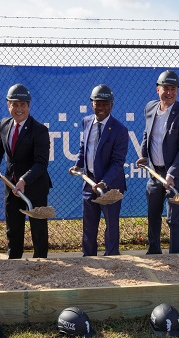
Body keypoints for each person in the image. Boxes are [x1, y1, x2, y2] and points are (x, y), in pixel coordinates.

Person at [135, 70, 179, 254]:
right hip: (155, 174)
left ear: (177, 91)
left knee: (174, 218)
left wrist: (171, 175)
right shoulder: (150, 108)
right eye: (165, 89)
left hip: (176, 176)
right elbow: (147, 134)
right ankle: (154, 250)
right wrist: (144, 155)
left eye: (173, 89)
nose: (169, 93)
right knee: (153, 214)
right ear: (158, 90)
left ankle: (175, 255)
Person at [0, 84, 52, 259]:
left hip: (34, 186)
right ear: (8, 105)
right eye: (14, 104)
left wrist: (24, 181)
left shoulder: (39, 130)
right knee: (13, 229)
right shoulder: (4, 124)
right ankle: (14, 262)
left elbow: (41, 163)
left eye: (22, 105)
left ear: (29, 106)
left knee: (38, 230)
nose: (18, 109)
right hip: (11, 185)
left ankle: (40, 263)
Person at [69, 84, 128, 256]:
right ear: (91, 104)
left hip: (110, 186)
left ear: (111, 105)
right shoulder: (87, 122)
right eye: (97, 103)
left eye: (105, 104)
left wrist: (104, 182)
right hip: (89, 182)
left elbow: (118, 162)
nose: (101, 107)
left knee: (111, 226)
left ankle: (111, 259)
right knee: (89, 225)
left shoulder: (120, 130)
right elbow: (84, 147)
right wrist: (79, 165)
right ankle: (89, 258)